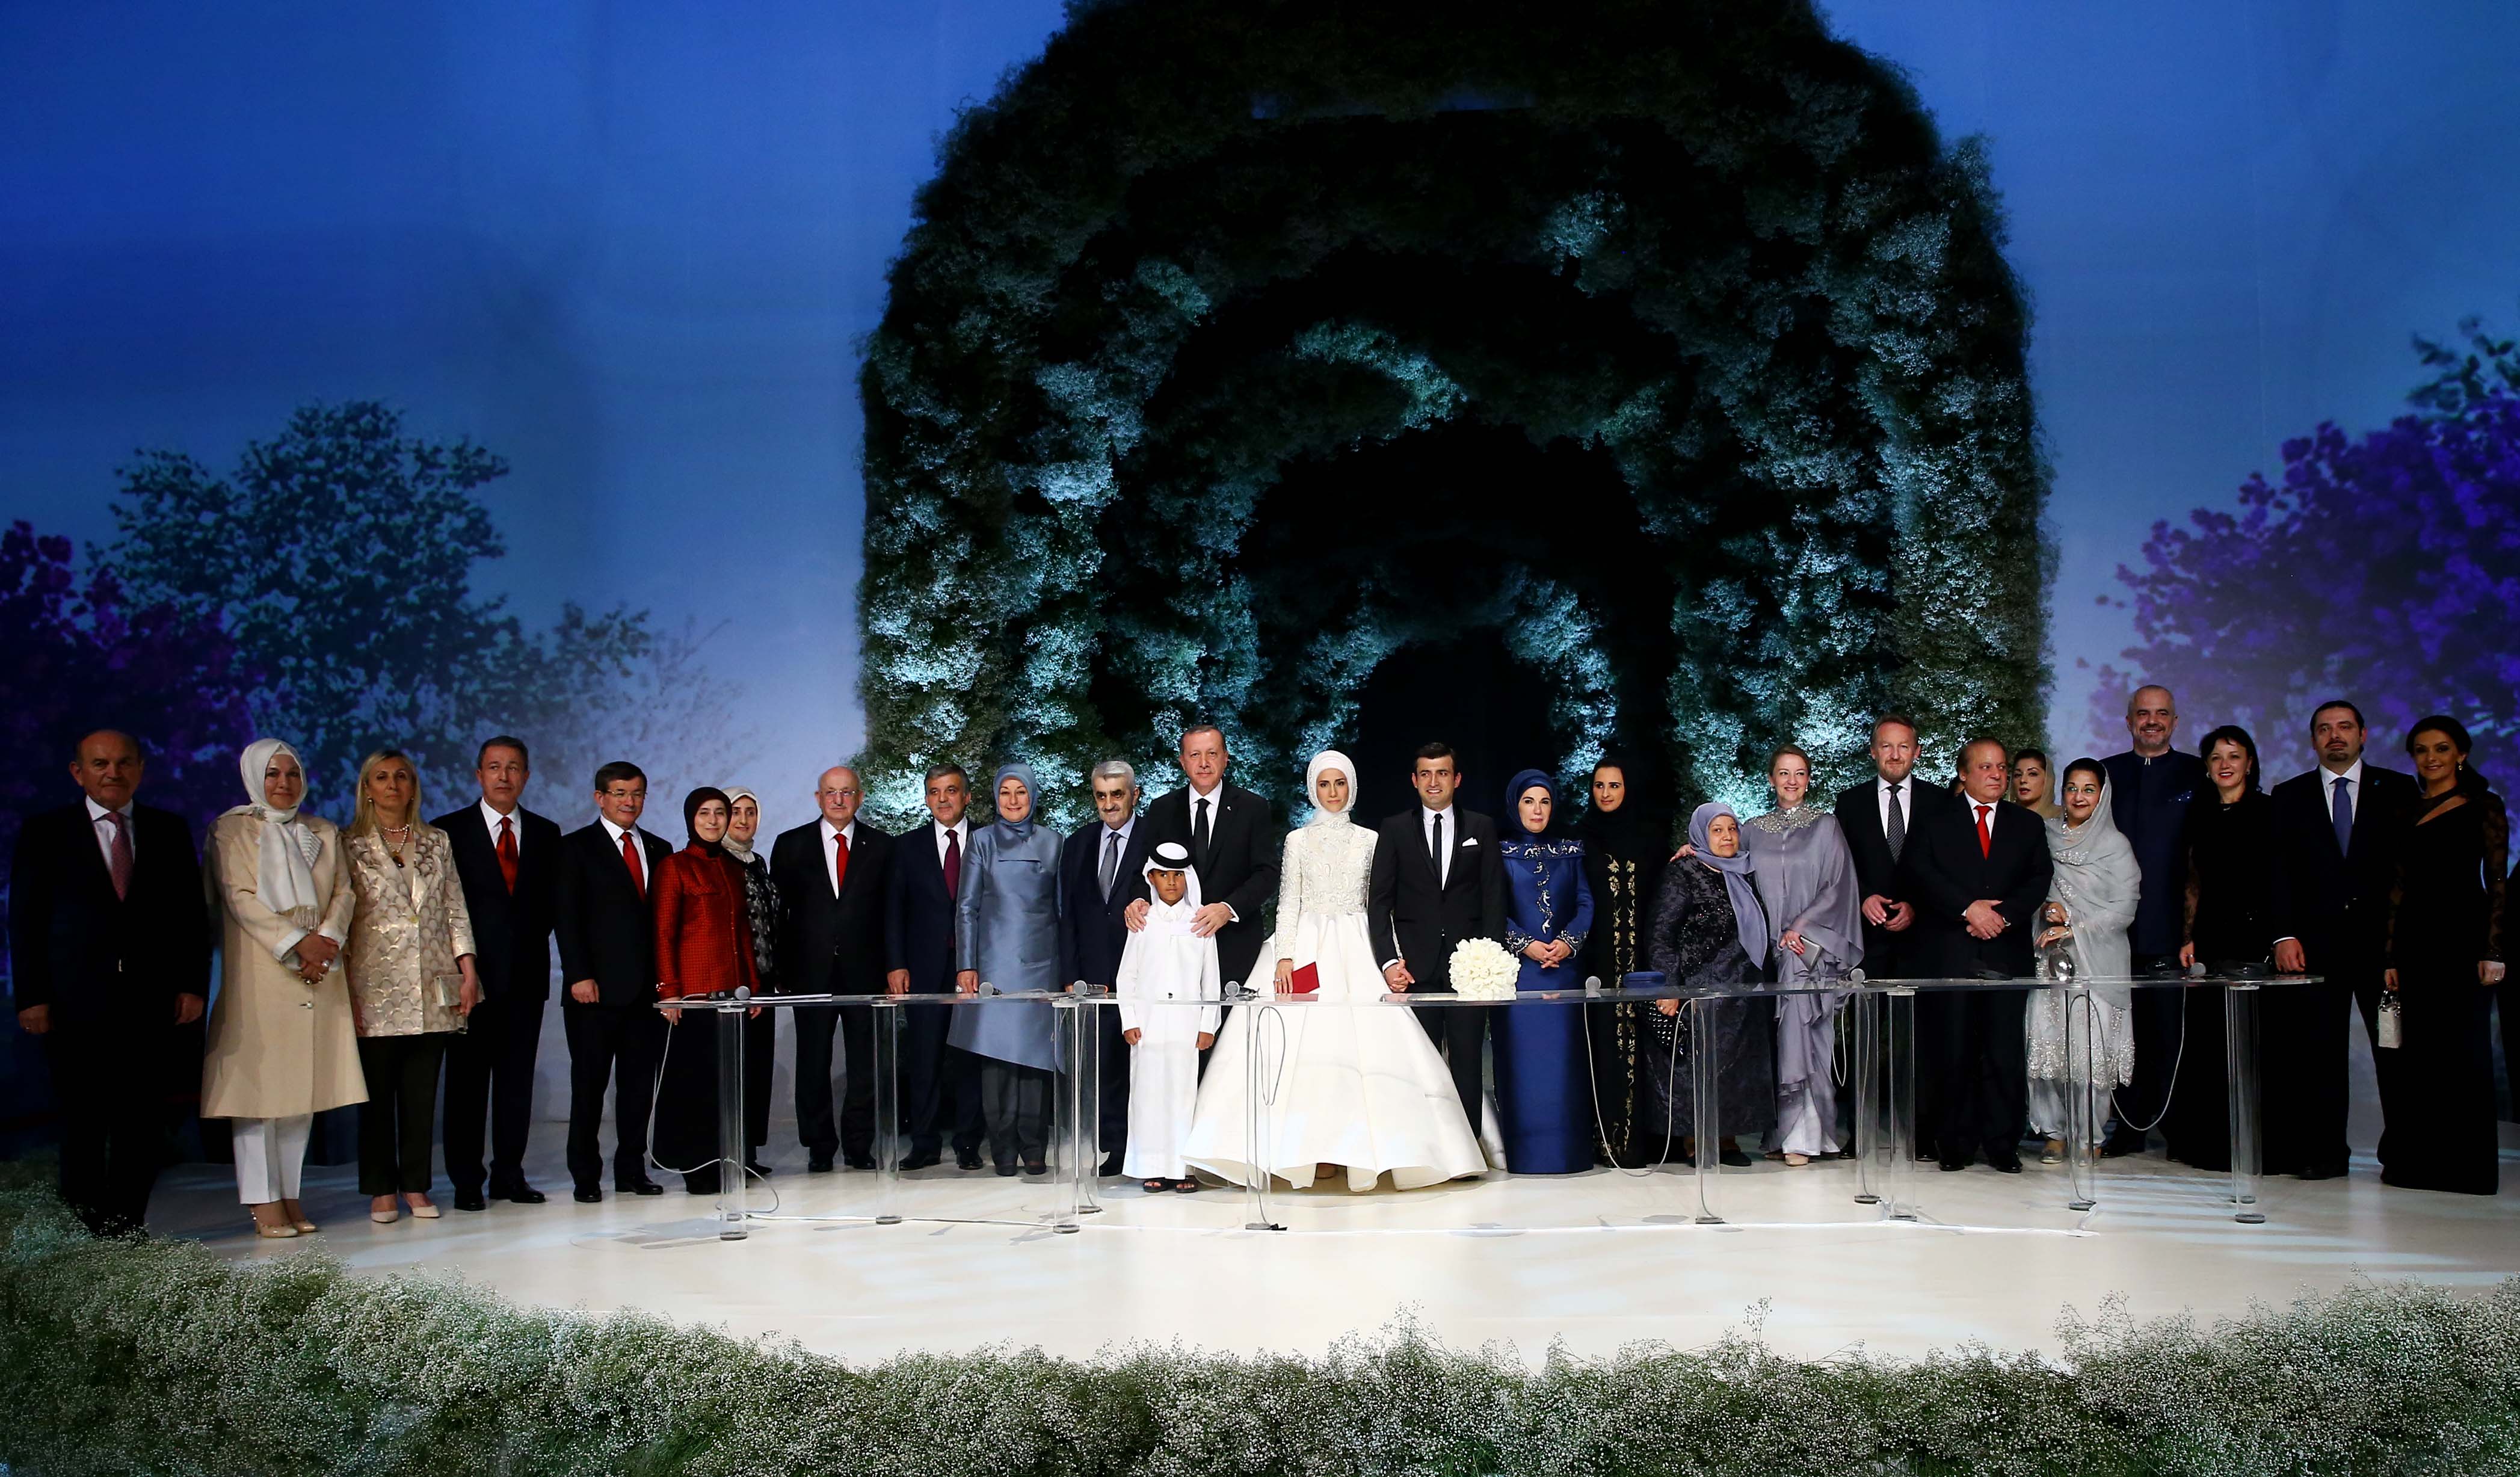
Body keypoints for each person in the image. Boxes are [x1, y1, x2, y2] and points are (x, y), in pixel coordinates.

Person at [1185, 750, 1485, 1190]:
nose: (1332, 792)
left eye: (1340, 783)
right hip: (1307, 947)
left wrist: (1391, 957)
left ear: (1352, 787)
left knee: (1370, 1048)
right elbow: (1289, 900)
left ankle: (1365, 1153)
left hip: (1359, 945)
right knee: (1302, 1050)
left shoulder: (1370, 839)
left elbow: (1381, 903)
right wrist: (1284, 954)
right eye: (1324, 784)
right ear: (1313, 788)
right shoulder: (1297, 840)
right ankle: (1311, 1151)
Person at [7, 729, 211, 1236]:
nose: (112, 773)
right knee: (82, 1120)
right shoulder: (46, 832)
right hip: (73, 1003)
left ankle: (125, 1227)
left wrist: (192, 985)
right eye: (100, 764)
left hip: (149, 1001)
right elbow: (26, 920)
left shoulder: (168, 829)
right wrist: (32, 996)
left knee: (140, 1121)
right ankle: (84, 1230)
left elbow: (190, 916)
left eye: (123, 763)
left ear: (140, 769)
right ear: (78, 772)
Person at [202, 739, 362, 1237]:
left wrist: (325, 943)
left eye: (292, 774)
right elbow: (239, 897)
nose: (283, 783)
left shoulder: (322, 830)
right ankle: (261, 1198)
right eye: (273, 774)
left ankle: (290, 1194)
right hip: (261, 971)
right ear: (255, 777)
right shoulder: (231, 829)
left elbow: (344, 892)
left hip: (319, 970)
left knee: (300, 1090)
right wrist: (298, 945)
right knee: (258, 1095)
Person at [2266, 700, 2418, 1179]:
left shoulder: (2397, 789)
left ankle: (2405, 1155)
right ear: (2313, 739)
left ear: (2362, 735)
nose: (2335, 736)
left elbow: (2411, 872)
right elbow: (2277, 872)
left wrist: (2401, 944)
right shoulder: (2288, 795)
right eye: (2324, 729)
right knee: (2318, 1054)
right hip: (2313, 947)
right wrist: (2283, 934)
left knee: (2394, 1051)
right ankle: (2324, 1153)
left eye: (2344, 727)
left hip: (2382, 948)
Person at [1902, 737, 2053, 1173]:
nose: (1997, 775)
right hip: (1950, 952)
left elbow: (2038, 878)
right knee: (1953, 1049)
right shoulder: (1935, 820)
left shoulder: (2026, 824)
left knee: (2003, 1051)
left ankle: (2002, 1144)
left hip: (2005, 953)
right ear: (1964, 773)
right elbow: (1920, 872)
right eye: (1986, 767)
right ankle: (1955, 1143)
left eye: (2002, 767)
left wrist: (2000, 916)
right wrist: (1968, 909)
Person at [342, 748, 479, 1224]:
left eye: (401, 776)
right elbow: (343, 917)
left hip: (432, 983)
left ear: (413, 786)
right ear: (367, 788)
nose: (392, 784)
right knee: (377, 1096)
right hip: (373, 985)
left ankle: (416, 1185)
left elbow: (455, 908)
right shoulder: (348, 844)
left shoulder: (436, 841)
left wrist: (468, 970)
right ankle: (381, 1188)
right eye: (381, 777)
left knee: (421, 1095)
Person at [431, 735, 561, 1211]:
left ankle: (509, 1174)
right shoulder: (448, 831)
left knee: (515, 1085)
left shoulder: (546, 833)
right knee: (466, 1086)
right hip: (469, 980)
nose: (503, 776)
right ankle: (466, 1180)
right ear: (479, 775)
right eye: (494, 766)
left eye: (513, 767)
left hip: (525, 979)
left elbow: (551, 906)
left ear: (526, 776)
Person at [2377, 717, 2506, 1195]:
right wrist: (2389, 955)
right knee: (2418, 1056)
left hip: (2463, 941)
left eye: (2441, 748)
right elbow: (2396, 887)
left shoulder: (2484, 806)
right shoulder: (2404, 811)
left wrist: (2493, 949)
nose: (2430, 757)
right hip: (2414, 943)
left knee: (2464, 1054)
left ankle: (2468, 1170)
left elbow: (2497, 880)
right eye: (2421, 749)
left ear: (2461, 754)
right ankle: (2418, 1165)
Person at [1834, 714, 1961, 1149]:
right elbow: (1839, 866)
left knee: (1923, 1040)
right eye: (1886, 746)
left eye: (1903, 746)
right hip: (1867, 941)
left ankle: (1922, 1135)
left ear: (1917, 752)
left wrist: (1917, 906)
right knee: (1865, 1038)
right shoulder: (1849, 802)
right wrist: (1862, 897)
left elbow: (1948, 868)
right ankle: (1859, 1134)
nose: (1894, 754)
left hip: (1923, 940)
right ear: (1873, 751)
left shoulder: (1940, 802)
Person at [1369, 742, 1509, 1134]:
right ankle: (1427, 1147)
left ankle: (1468, 1149)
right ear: (1414, 780)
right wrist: (1388, 962)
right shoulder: (1394, 829)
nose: (1434, 782)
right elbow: (1378, 903)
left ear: (1456, 779)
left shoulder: (1481, 827)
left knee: (1468, 1061)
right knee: (1421, 1065)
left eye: (1442, 773)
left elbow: (1494, 897)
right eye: (1426, 774)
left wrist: (1489, 962)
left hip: (1470, 970)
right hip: (1414, 968)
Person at [553, 760, 672, 1202]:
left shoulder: (659, 848)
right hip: (595, 992)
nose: (629, 801)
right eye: (620, 793)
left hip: (646, 992)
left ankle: (631, 1170)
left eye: (637, 793)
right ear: (599, 798)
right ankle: (585, 1175)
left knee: (638, 1088)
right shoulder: (575, 848)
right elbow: (566, 918)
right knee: (589, 1086)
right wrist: (579, 974)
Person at [1743, 745, 1863, 1165]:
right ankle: (1781, 1133)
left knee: (1807, 1033)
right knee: (1778, 1040)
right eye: (1783, 773)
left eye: (1799, 773)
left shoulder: (1825, 826)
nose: (1791, 781)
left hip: (1809, 948)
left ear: (1809, 779)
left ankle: (1807, 1137)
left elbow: (1838, 885)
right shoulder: (1752, 829)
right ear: (1771, 779)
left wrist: (1800, 927)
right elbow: (1732, 870)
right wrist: (1695, 851)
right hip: (1767, 951)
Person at [2100, 684, 2207, 1155]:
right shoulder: (2105, 773)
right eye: (2142, 713)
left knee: (2171, 1034)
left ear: (2174, 722)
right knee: (2122, 1032)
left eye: (2161, 713)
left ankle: (2180, 1129)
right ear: (2128, 721)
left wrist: (2192, 929)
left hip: (2172, 929)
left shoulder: (2196, 773)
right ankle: (2129, 1127)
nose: (2151, 721)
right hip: (2113, 928)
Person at [2163, 725, 2275, 1169]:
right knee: (2210, 1043)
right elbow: (2191, 879)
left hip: (2256, 938)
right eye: (2215, 757)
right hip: (2210, 937)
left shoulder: (2268, 811)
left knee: (2256, 1042)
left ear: (2250, 762)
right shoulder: (2199, 813)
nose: (2225, 764)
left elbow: (2280, 878)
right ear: (2207, 768)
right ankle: (2209, 1145)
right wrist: (2188, 935)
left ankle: (2259, 1145)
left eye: (2233, 755)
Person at [772, 766, 894, 1171]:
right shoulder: (790, 845)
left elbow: (891, 914)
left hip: (866, 972)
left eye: (846, 792)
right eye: (831, 792)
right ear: (818, 797)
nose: (839, 800)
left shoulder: (881, 846)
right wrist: (780, 971)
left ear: (859, 797)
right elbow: (777, 915)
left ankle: (859, 1145)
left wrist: (892, 967)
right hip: (809, 973)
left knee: (865, 1064)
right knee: (812, 1061)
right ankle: (819, 1145)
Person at [1639, 803, 1773, 1163]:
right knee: (1697, 1068)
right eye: (1717, 830)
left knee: (1734, 1071)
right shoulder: (1683, 872)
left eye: (1732, 829)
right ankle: (1695, 1140)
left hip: (1742, 991)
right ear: (1701, 835)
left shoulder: (1745, 871)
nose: (1727, 837)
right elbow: (1661, 934)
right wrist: (1670, 987)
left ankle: (1727, 1140)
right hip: (1698, 991)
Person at [2026, 760, 2140, 1164]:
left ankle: (2090, 1134)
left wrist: (2074, 923)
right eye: (2072, 788)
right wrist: (2047, 908)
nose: (2078, 797)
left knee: (2089, 1053)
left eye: (2088, 789)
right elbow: (2030, 885)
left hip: (2098, 961)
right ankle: (2053, 1134)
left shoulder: (2115, 845)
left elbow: (2125, 908)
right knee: (2047, 1046)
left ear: (2102, 795)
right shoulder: (2044, 835)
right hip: (2051, 958)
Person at [952, 763, 1064, 1175]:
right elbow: (966, 908)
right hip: (993, 968)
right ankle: (1002, 1150)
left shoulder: (1054, 842)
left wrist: (1068, 968)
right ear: (995, 797)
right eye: (1005, 792)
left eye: (1021, 791)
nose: (1013, 800)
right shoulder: (980, 841)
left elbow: (1062, 909)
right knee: (996, 1061)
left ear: (1033, 796)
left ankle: (1034, 1147)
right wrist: (966, 964)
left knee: (1035, 1060)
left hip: (1042, 965)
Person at [651, 788, 762, 1195]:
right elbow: (663, 932)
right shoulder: (674, 866)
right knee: (694, 1082)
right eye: (705, 813)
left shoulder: (732, 868)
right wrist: (669, 990)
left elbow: (743, 933)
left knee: (727, 1081)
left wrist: (752, 986)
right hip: (694, 995)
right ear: (690, 818)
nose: (714, 821)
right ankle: (696, 1167)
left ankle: (727, 1159)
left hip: (732, 993)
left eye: (720, 813)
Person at [1490, 769, 1595, 1175]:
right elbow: (1492, 906)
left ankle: (1568, 1154)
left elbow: (1585, 902)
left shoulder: (1570, 851)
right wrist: (1525, 944)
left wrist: (1568, 941)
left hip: (1564, 973)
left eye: (1545, 802)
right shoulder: (1499, 852)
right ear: (1515, 805)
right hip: (1519, 975)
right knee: (1523, 1066)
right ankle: (1525, 1155)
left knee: (1565, 1066)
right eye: (1529, 801)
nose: (1537, 810)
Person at [1127, 726, 1280, 999]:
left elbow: (1267, 873)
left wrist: (1228, 909)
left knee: (1229, 1023)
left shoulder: (1253, 807)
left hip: (1235, 943)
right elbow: (1143, 870)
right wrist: (1139, 900)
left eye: (1212, 753)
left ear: (1226, 758)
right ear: (1182, 761)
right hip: (1174, 947)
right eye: (1195, 755)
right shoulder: (1162, 809)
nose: (1204, 763)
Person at [886, 764, 986, 1170]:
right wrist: (896, 964)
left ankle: (968, 1144)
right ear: (926, 798)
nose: (942, 799)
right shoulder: (906, 846)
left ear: (967, 796)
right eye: (934, 791)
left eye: (951, 790)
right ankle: (924, 1144)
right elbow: (893, 910)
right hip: (924, 968)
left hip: (974, 967)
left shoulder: (986, 840)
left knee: (969, 1058)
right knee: (924, 1056)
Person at [1058, 760, 1149, 1176]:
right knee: (1103, 1066)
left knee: (1141, 1064)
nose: (1109, 803)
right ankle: (1114, 1148)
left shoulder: (1154, 838)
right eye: (1101, 795)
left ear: (1134, 795)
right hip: (1092, 975)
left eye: (1117, 794)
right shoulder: (1078, 843)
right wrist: (1071, 974)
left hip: (1142, 972)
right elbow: (1069, 915)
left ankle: (1144, 1149)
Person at [1576, 755, 1665, 1165]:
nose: (1606, 793)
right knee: (1601, 1050)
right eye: (1599, 786)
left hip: (1643, 967)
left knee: (1642, 1053)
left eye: (1614, 785)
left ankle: (1639, 1143)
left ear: (1628, 789)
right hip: (1596, 966)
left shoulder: (1650, 838)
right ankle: (1601, 1142)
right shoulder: (1581, 838)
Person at [1116, 843, 1219, 1192]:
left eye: (1178, 875)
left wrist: (1207, 1025)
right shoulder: (1143, 922)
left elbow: (1211, 980)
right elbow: (1127, 977)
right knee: (1147, 1096)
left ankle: (1182, 1168)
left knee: (1183, 1096)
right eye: (1163, 875)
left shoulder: (1199, 922)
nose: (1171, 883)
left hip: (1187, 1028)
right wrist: (1129, 1020)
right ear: (1151, 878)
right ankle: (1151, 1166)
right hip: (1148, 1026)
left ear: (1188, 879)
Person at [719, 786, 779, 1179]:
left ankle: (748, 1152)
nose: (743, 820)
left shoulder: (756, 861)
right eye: (735, 812)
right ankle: (727, 1152)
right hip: (732, 984)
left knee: (757, 1069)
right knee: (732, 1070)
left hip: (763, 981)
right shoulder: (715, 860)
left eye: (750, 812)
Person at [2010, 749, 2062, 820]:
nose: (2023, 780)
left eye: (2032, 774)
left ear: (2048, 779)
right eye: (2018, 775)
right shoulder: (2002, 817)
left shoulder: (2063, 818)